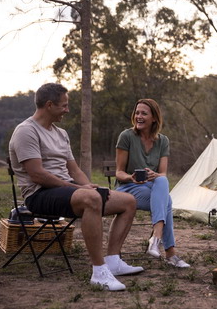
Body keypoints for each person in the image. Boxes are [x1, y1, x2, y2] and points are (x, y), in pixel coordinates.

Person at [8, 83, 143, 291]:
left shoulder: (61, 133)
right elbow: (37, 175)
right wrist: (77, 189)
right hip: (39, 194)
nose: (67, 110)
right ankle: (99, 272)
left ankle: (113, 261)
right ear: (49, 105)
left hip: (66, 190)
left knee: (128, 201)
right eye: (64, 105)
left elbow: (74, 169)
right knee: (91, 198)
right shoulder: (26, 131)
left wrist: (85, 184)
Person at [115, 99, 190, 268]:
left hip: (152, 187)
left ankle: (156, 240)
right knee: (167, 201)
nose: (139, 116)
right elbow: (119, 172)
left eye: (144, 113)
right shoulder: (126, 136)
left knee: (162, 180)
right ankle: (169, 252)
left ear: (154, 118)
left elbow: (162, 173)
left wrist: (155, 175)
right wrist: (131, 177)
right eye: (137, 113)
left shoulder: (163, 141)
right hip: (127, 188)